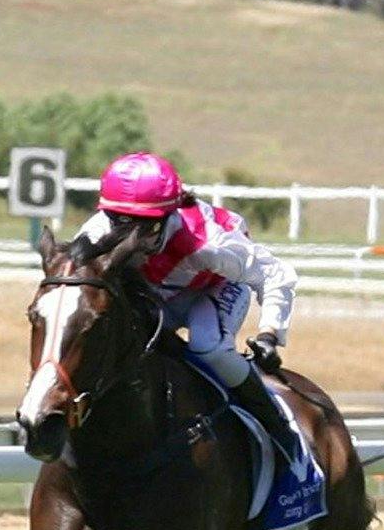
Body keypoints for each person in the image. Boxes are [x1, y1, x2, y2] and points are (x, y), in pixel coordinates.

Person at [71, 151, 309, 474]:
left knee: (208, 346)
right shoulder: (97, 231)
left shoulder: (208, 242)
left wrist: (270, 333)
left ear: (167, 215)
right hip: (154, 293)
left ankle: (276, 424)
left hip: (210, 288)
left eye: (144, 226)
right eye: (121, 223)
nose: (129, 239)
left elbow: (274, 274)